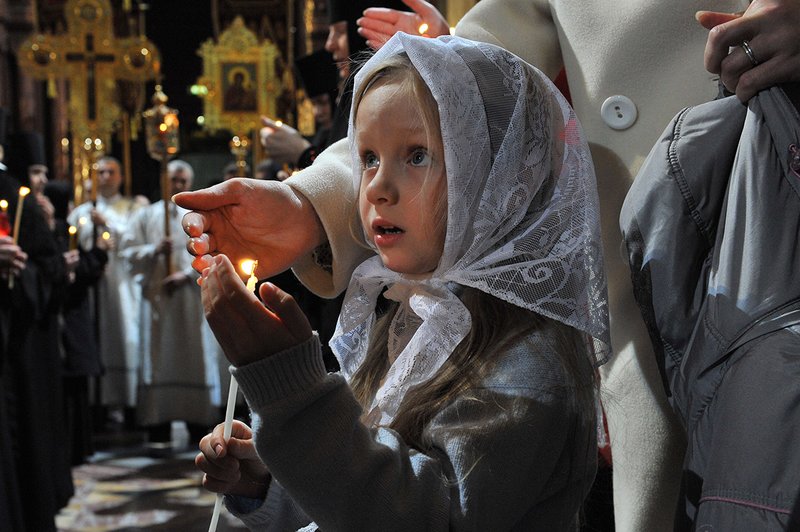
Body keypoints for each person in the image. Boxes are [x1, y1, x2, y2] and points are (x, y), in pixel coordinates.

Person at [193, 33, 609, 530]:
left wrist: (294, 396)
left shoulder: (526, 363)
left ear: (498, 176)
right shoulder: (407, 314)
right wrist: (269, 480)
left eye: (417, 156)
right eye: (368, 158)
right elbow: (367, 489)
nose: (377, 188)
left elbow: (423, 517)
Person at [120, 159, 223, 442]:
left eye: (182, 181)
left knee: (193, 354)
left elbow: (214, 252)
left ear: (189, 183)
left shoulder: (198, 215)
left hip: (190, 296)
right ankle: (158, 423)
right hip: (158, 299)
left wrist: (186, 276)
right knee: (159, 355)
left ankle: (196, 422)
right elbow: (127, 253)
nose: (177, 185)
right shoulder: (147, 215)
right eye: (173, 180)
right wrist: (153, 250)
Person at [67, 155, 146, 426]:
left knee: (122, 338)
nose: (105, 177)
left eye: (110, 172)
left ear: (120, 176)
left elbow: (134, 239)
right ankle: (94, 403)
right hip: (92, 287)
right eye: (100, 172)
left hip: (120, 285)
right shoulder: (81, 212)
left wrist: (108, 225)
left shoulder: (131, 208)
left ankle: (125, 402)